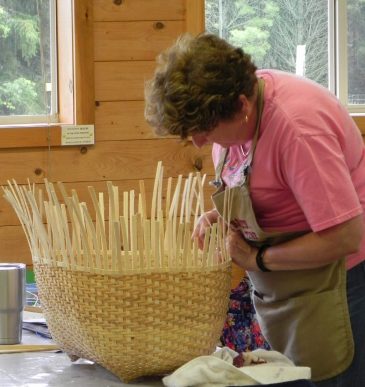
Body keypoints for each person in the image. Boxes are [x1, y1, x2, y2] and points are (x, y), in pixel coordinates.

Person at [144, 33, 365, 386]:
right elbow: (264, 189)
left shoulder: (298, 130)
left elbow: (345, 236)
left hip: (341, 283)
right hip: (289, 287)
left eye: (204, 130)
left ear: (242, 105)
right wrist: (222, 214)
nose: (198, 142)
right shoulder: (236, 123)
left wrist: (258, 259)